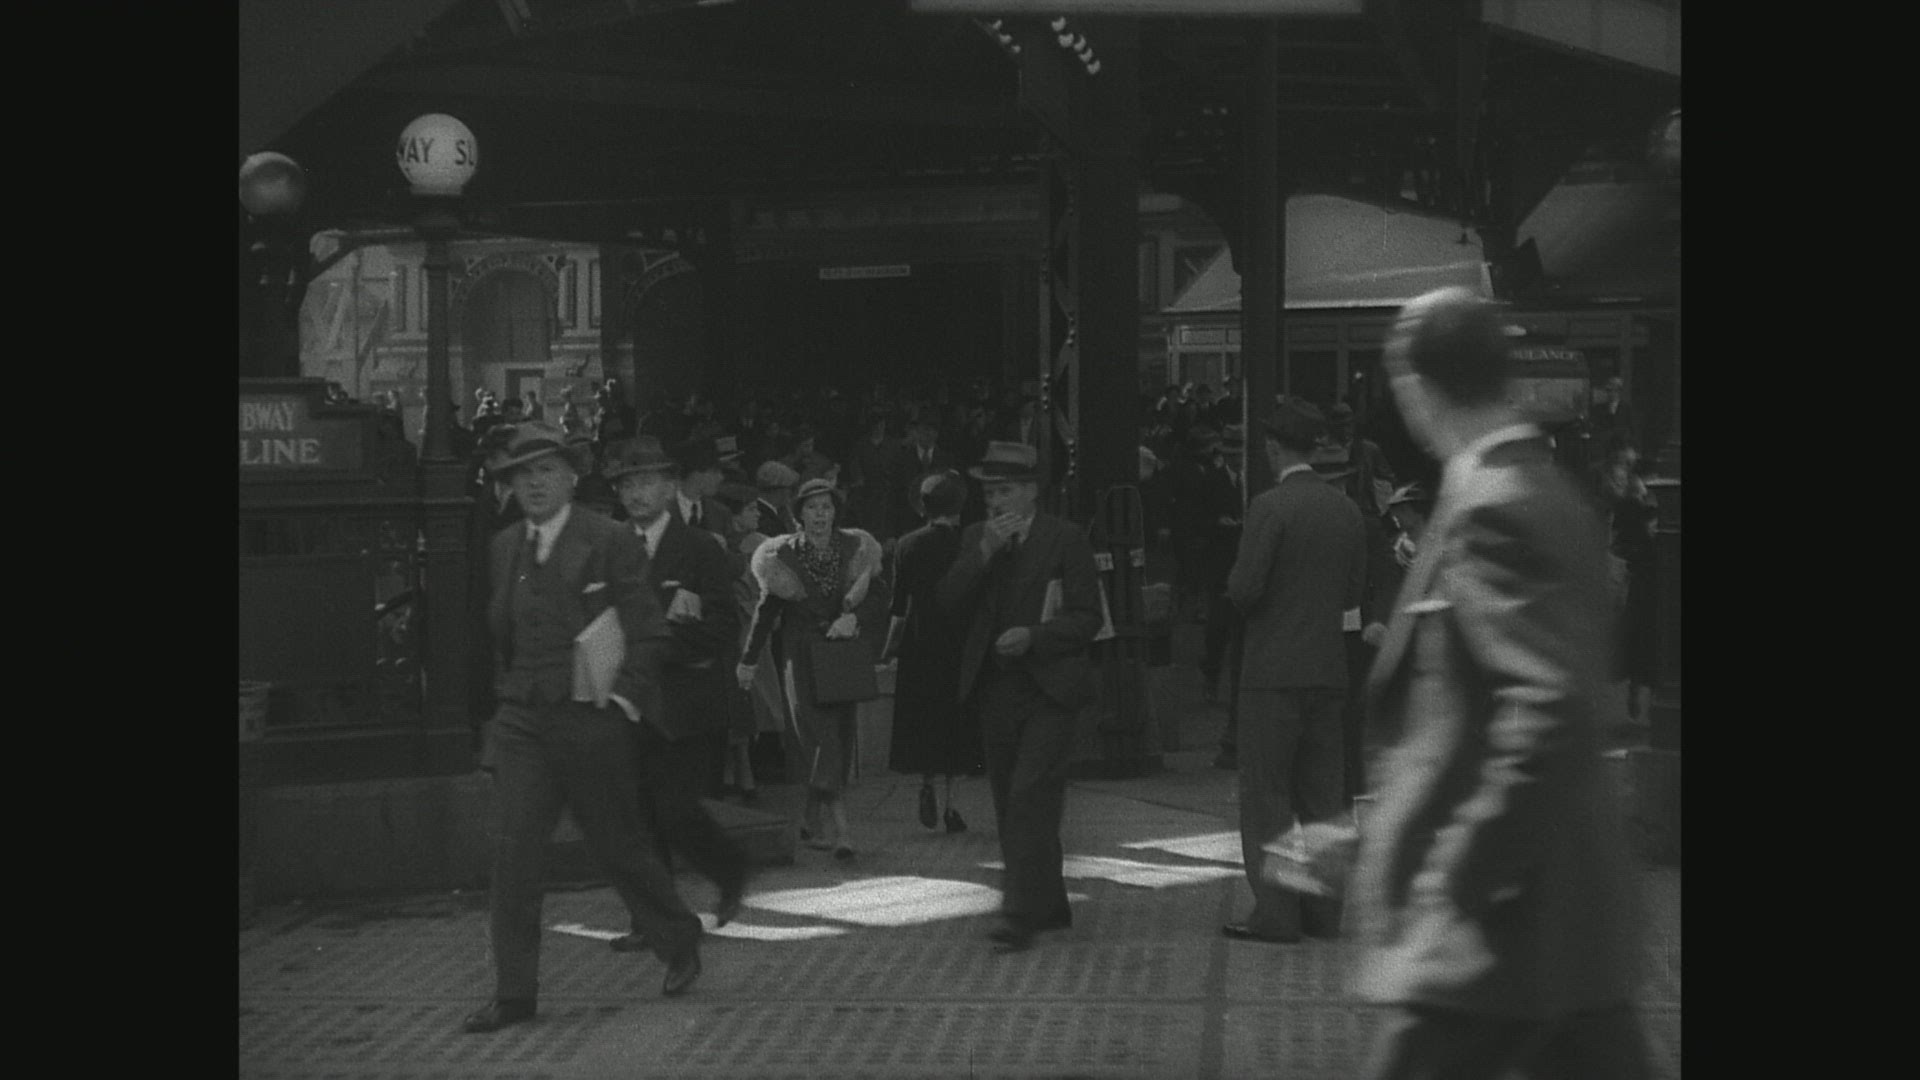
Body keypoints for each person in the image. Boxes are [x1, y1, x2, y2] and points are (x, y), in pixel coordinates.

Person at [1332, 287, 1647, 1078]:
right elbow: (1475, 717)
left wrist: (1455, 886)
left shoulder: (1492, 506)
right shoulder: (1549, 491)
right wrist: (1372, 835)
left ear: (1414, 386)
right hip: (1563, 931)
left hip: (1494, 939)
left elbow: (1547, 712)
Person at [463, 422, 703, 1035]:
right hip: (523, 720)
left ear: (572, 477)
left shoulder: (609, 538)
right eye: (522, 474)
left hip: (590, 718)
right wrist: (503, 707)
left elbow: (647, 629)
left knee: (618, 845)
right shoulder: (504, 545)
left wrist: (621, 700)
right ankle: (513, 994)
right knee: (513, 853)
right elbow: (501, 633)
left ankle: (678, 939)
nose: (534, 483)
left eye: (546, 470)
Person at [937, 442, 1103, 954]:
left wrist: (1035, 636)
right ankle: (1049, 903)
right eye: (988, 493)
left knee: (1030, 794)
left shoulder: (1066, 539)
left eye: (1005, 491)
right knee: (1012, 800)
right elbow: (947, 600)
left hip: (1050, 688)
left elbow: (1088, 618)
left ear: (1032, 491)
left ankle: (1018, 912)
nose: (995, 502)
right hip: (996, 688)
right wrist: (984, 552)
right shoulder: (977, 537)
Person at [1220, 398, 1367, 944]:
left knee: (1269, 796)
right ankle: (1326, 914)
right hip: (1328, 670)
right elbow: (1352, 593)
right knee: (1325, 797)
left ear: (1272, 447)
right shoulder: (1345, 510)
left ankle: (1277, 915)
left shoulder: (1269, 507)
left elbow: (1244, 589)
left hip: (1272, 673)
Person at [597, 436, 751, 956]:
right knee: (638, 817)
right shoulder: (610, 545)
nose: (636, 494)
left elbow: (724, 625)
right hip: (628, 701)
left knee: (673, 809)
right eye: (626, 485)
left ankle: (728, 867)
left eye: (647, 483)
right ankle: (652, 921)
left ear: (669, 488)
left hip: (685, 703)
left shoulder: (700, 548)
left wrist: (659, 643)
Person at [736, 478, 888, 860]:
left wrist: (854, 619)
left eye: (826, 507)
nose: (820, 515)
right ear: (799, 513)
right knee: (819, 739)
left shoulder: (855, 549)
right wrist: (748, 660)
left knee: (837, 737)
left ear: (836, 512)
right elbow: (765, 611)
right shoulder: (780, 556)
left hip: (839, 655)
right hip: (801, 659)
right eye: (812, 507)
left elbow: (879, 597)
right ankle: (843, 832)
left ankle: (810, 818)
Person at [882, 471, 980, 833]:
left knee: (924, 716)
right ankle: (952, 805)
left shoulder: (907, 545)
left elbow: (899, 607)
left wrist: (888, 649)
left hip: (920, 641)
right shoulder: (970, 544)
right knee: (956, 721)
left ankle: (926, 782)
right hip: (961, 641)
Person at [1593, 443, 1660, 725]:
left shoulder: (1642, 505)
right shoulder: (1632, 506)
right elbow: (1622, 542)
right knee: (1642, 639)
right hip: (1641, 581)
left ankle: (1644, 691)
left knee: (1645, 641)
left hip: (1647, 581)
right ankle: (1640, 690)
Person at [753, 460, 799, 538]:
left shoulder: (761, 512)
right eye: (792, 489)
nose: (793, 494)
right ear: (780, 490)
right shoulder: (768, 522)